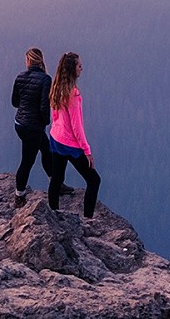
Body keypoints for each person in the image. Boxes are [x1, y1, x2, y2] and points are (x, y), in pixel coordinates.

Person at [48, 52, 101, 218]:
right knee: (94, 180)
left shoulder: (56, 88)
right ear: (72, 69)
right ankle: (88, 218)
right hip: (71, 144)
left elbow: (55, 117)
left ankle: (52, 212)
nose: (81, 68)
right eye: (79, 66)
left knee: (57, 178)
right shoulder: (73, 94)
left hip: (56, 138)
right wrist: (87, 151)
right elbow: (77, 127)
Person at [11, 48, 53, 204]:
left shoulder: (20, 77)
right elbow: (44, 106)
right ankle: (19, 196)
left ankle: (55, 182)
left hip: (20, 124)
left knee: (46, 149)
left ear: (28, 61)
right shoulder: (45, 79)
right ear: (41, 60)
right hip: (33, 126)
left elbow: (15, 102)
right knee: (28, 160)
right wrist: (46, 121)